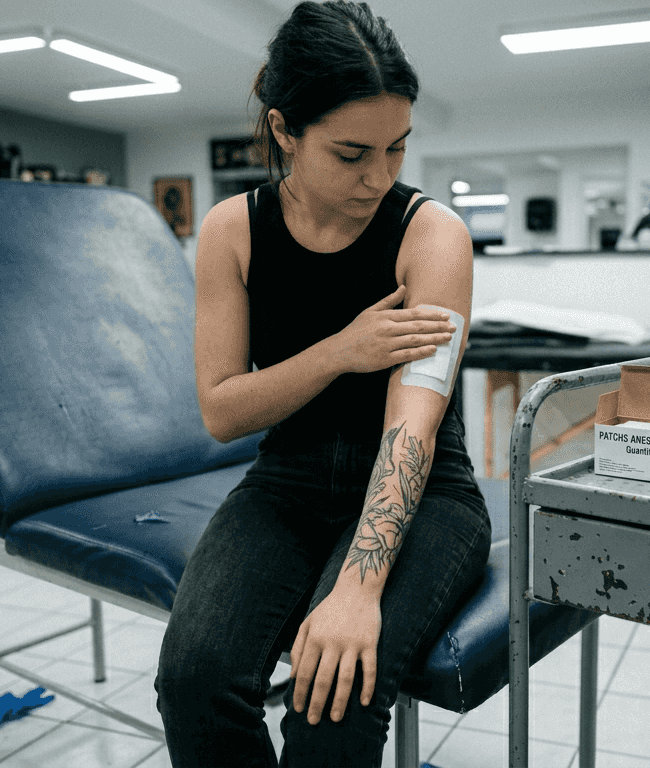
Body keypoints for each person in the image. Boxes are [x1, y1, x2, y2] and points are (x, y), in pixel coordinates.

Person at [154, 2, 491, 766]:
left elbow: (413, 429)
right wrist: (342, 350)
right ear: (284, 131)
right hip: (287, 487)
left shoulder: (433, 236)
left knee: (330, 706)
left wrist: (358, 589)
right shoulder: (231, 231)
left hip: (426, 491)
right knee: (195, 681)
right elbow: (221, 411)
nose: (379, 176)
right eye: (350, 153)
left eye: (397, 149)